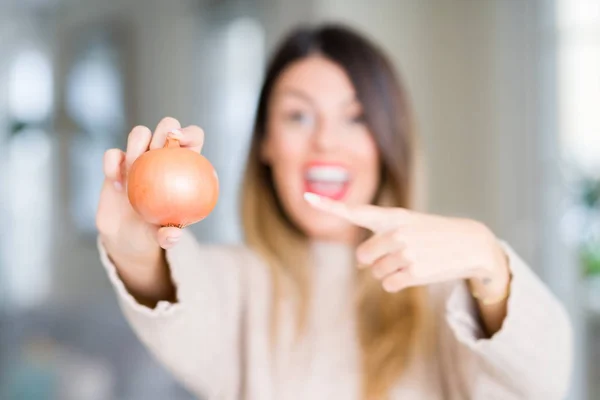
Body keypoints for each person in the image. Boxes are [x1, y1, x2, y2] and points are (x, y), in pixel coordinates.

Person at [96, 24, 572, 400]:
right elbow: (179, 303)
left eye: (356, 117)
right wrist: (135, 246)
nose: (325, 140)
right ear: (266, 143)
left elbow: (543, 384)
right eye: (298, 116)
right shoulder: (237, 285)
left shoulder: (447, 294)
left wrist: (489, 263)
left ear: (387, 141)